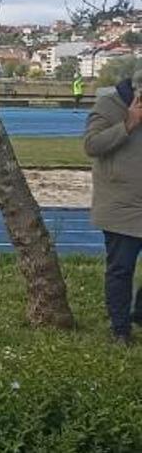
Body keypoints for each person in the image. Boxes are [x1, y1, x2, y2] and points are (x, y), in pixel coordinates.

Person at [84, 68, 142, 346]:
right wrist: (128, 124)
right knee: (121, 270)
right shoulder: (109, 104)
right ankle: (120, 331)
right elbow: (91, 145)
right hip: (121, 208)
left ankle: (140, 313)